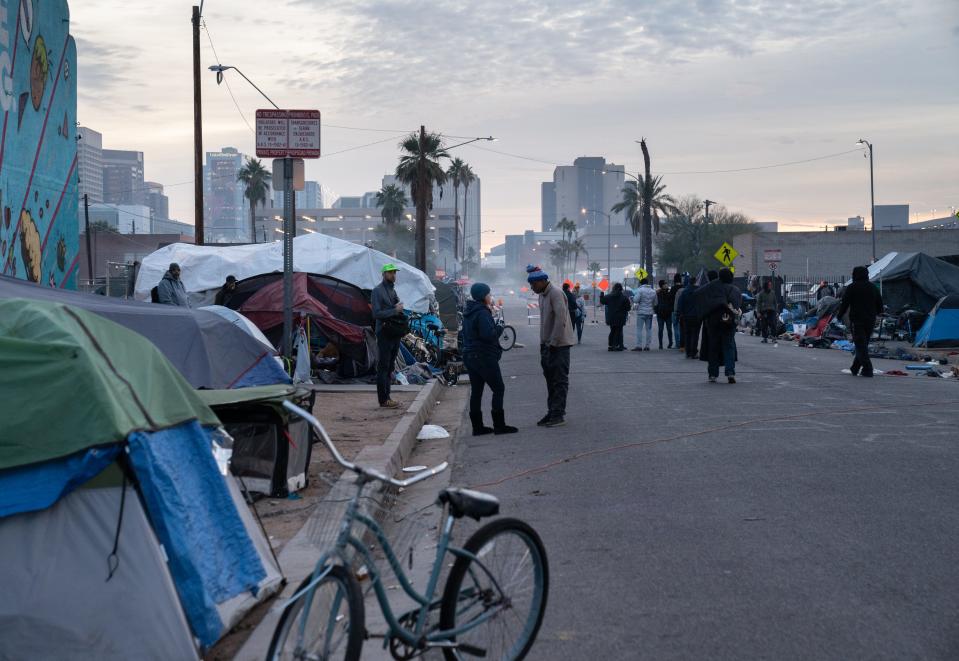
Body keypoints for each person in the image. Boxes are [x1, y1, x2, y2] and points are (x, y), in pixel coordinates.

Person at [461, 283, 518, 436]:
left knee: (477, 391)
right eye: (488, 294)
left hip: (470, 355)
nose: (490, 297)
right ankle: (499, 425)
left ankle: (477, 427)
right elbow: (488, 335)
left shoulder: (469, 312)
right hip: (483, 356)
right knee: (498, 388)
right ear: (482, 296)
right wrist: (499, 328)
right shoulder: (482, 312)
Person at [527, 265, 575, 427]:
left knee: (559, 380)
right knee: (550, 381)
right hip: (547, 345)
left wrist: (553, 343)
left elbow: (560, 319)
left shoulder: (555, 293)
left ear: (541, 281)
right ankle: (552, 411)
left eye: (533, 284)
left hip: (559, 345)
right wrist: (544, 344)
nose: (532, 288)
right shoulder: (542, 295)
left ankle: (558, 414)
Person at [837, 265, 883, 377]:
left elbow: (845, 303)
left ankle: (868, 369)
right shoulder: (873, 287)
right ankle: (855, 368)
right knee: (862, 344)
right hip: (870, 320)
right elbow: (880, 305)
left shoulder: (852, 287)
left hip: (857, 320)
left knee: (860, 345)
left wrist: (839, 315)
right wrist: (876, 312)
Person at [371, 263, 405, 407]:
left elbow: (396, 307)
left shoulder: (392, 290)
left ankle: (388, 397)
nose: (393, 275)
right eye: (390, 273)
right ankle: (383, 399)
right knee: (383, 367)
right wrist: (395, 310)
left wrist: (399, 309)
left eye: (394, 273)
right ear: (384, 274)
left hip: (394, 333)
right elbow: (377, 313)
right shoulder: (377, 291)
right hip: (384, 333)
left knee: (390, 367)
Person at [700, 268, 743, 383]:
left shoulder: (712, 289)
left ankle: (713, 374)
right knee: (728, 346)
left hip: (713, 322)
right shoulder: (735, 290)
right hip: (728, 322)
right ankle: (730, 373)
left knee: (713, 348)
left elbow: (705, 304)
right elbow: (737, 305)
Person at [600, 282, 631, 351]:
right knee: (618, 331)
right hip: (621, 317)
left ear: (614, 288)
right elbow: (628, 308)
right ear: (621, 289)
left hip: (611, 317)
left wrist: (602, 294)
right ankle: (616, 345)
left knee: (613, 330)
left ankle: (612, 345)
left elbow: (602, 301)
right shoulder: (624, 298)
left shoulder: (609, 296)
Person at [631, 277, 657, 351]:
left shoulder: (640, 290)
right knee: (648, 329)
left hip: (641, 313)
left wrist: (633, 298)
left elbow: (635, 300)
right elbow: (656, 303)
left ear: (641, 283)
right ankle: (647, 346)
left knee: (639, 329)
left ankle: (639, 346)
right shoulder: (653, 291)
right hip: (650, 313)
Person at [679, 276, 700, 359]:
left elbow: (680, 304)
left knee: (687, 334)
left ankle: (688, 352)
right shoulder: (699, 291)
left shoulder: (684, 292)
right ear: (695, 282)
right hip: (696, 316)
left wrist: (681, 314)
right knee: (695, 334)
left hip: (686, 316)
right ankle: (693, 352)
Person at [655, 279, 674, 349]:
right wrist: (656, 310)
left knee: (669, 329)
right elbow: (655, 303)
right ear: (662, 285)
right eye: (665, 284)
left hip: (668, 314)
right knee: (660, 329)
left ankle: (670, 342)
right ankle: (660, 344)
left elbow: (672, 302)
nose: (666, 285)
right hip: (660, 314)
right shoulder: (658, 293)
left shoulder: (669, 293)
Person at [670, 273, 684, 350]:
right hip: (682, 310)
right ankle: (683, 343)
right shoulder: (683, 288)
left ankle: (677, 344)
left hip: (674, 310)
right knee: (682, 327)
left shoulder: (673, 288)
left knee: (676, 327)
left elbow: (670, 299)